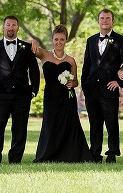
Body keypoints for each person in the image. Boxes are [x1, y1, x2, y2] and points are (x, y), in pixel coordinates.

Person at [0, 15, 40, 163]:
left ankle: (15, 159)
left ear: (18, 28)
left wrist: (33, 90)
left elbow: (34, 70)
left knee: (20, 129)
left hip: (22, 95)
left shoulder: (26, 48)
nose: (11, 28)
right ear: (3, 27)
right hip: (1, 95)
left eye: (14, 25)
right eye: (8, 25)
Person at [32, 24, 93, 163]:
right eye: (56, 39)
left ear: (66, 41)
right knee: (50, 125)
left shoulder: (70, 60)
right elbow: (28, 45)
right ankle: (48, 154)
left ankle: (69, 154)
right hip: (51, 97)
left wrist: (73, 83)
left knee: (68, 125)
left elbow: (76, 81)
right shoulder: (44, 55)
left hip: (67, 98)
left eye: (62, 39)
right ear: (52, 40)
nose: (59, 42)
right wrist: (34, 41)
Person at [81, 9, 123, 163]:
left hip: (109, 89)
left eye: (108, 18)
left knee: (111, 123)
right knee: (94, 123)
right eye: (102, 18)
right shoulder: (90, 40)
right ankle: (95, 153)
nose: (104, 21)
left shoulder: (121, 41)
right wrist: (85, 85)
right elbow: (87, 64)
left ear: (113, 21)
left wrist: (120, 82)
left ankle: (112, 153)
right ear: (98, 21)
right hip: (92, 90)